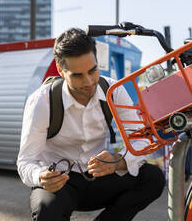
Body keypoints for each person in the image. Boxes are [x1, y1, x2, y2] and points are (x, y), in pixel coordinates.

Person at [17, 28, 165, 221]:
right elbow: (25, 161)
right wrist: (41, 177)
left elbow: (141, 140)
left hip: (99, 179)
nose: (88, 82)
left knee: (153, 178)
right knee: (46, 208)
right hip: (61, 184)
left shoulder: (114, 91)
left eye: (93, 70)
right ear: (61, 71)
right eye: (77, 75)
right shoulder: (42, 101)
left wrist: (117, 161)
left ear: (97, 61)